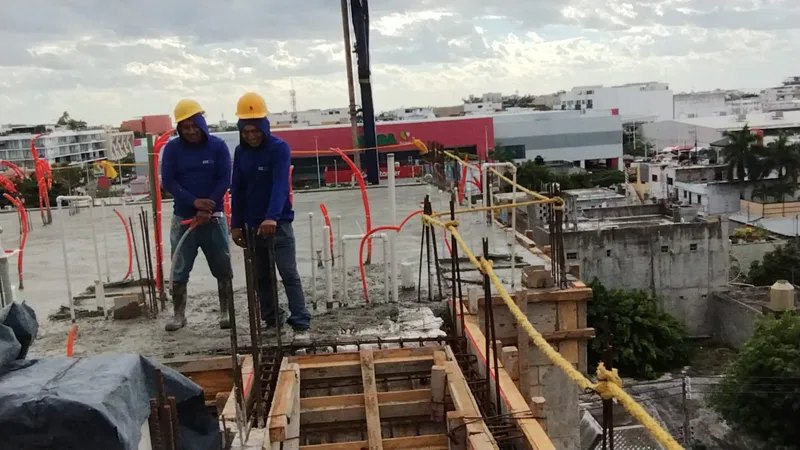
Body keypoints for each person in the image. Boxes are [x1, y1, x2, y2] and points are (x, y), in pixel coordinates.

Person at [230, 92, 310, 332]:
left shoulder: (279, 149)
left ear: (264, 127)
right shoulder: (240, 152)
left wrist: (271, 217)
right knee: (261, 277)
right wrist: (236, 224)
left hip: (279, 224)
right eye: (246, 131)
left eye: (255, 130)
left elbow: (279, 186)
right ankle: (272, 319)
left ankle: (301, 322)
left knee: (288, 273)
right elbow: (238, 189)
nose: (251, 136)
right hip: (252, 226)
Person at [161, 99, 233, 332]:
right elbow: (169, 181)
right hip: (183, 220)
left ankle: (226, 311)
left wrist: (207, 208)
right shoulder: (172, 149)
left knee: (222, 265)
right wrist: (192, 202)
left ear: (202, 124)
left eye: (194, 126)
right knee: (179, 268)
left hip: (213, 219)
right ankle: (179, 314)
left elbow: (224, 178)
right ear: (179, 129)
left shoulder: (218, 146)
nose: (190, 131)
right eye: (185, 127)